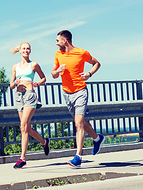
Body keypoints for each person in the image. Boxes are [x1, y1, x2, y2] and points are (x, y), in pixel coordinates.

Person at [51, 30, 105, 167]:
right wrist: (58, 71)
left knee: (78, 123)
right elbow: (53, 74)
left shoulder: (81, 53)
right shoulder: (58, 54)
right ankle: (97, 138)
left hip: (80, 91)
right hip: (67, 93)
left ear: (65, 41)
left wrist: (89, 73)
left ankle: (78, 157)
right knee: (79, 121)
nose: (56, 43)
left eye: (58, 40)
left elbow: (97, 63)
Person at [10, 42, 50, 169]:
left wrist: (37, 83)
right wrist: (15, 83)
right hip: (19, 97)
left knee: (23, 126)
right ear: (20, 51)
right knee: (26, 128)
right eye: (24, 48)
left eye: (28, 48)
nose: (26, 50)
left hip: (30, 96)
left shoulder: (34, 65)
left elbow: (44, 78)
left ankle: (22, 158)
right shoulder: (15, 67)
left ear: (30, 51)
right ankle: (44, 142)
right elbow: (10, 85)